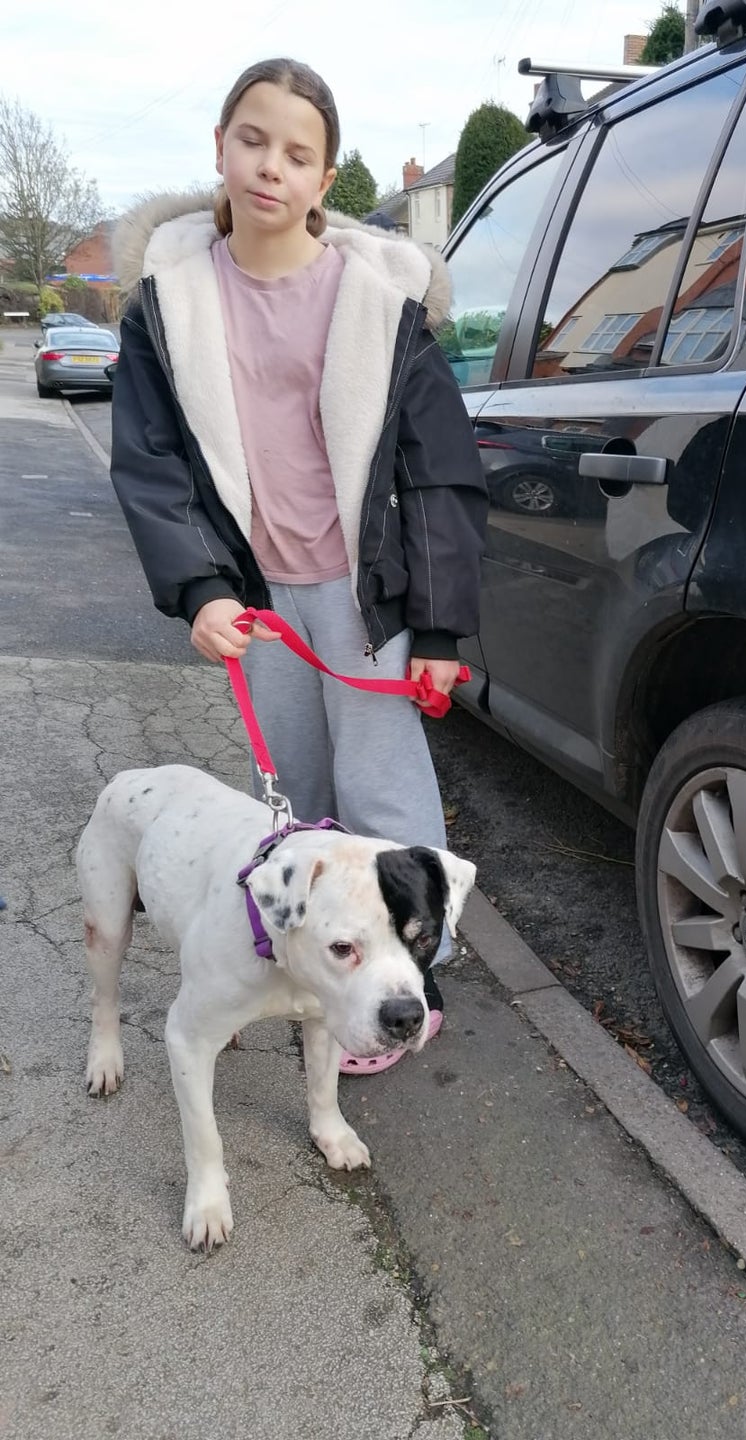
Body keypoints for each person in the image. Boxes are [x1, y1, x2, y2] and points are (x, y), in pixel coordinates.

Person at [109, 57, 488, 1074]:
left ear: (327, 181)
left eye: (299, 153)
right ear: (222, 149)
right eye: (254, 140)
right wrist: (199, 588)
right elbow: (151, 463)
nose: (271, 166)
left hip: (369, 598)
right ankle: (327, 977)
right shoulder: (167, 301)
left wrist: (441, 629)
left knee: (387, 798)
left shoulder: (379, 299)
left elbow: (441, 472)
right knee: (299, 805)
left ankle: (413, 981)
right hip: (259, 598)